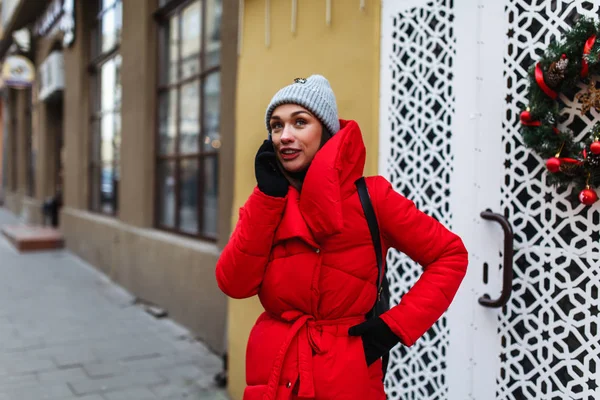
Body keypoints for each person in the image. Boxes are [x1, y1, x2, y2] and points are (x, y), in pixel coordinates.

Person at [215, 75, 468, 400]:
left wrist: (392, 328)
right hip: (274, 372)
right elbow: (233, 284)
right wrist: (267, 197)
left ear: (327, 130)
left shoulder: (373, 197)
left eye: (300, 122)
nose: (285, 136)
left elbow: (450, 255)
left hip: (344, 373)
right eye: (277, 126)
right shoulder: (267, 202)